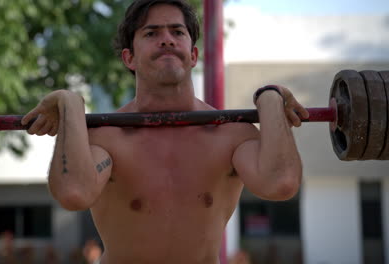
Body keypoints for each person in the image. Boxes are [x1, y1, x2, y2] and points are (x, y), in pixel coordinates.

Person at [21, 0, 309, 263]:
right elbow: (74, 193)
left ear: (193, 54)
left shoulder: (230, 135)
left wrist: (270, 97)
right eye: (151, 33)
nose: (167, 40)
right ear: (129, 58)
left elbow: (280, 183)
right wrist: (70, 102)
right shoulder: (108, 136)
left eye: (177, 32)